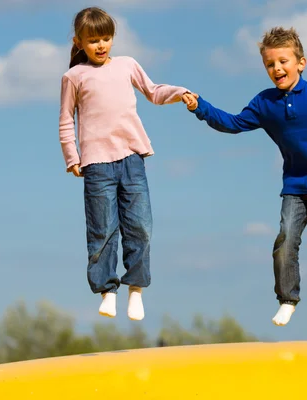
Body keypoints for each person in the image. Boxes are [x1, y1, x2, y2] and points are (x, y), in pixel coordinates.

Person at [182, 26, 307, 326]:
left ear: (300, 63)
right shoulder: (265, 103)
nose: (277, 68)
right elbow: (233, 123)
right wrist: (200, 107)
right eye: (270, 64)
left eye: (283, 61)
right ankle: (287, 299)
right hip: (294, 184)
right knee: (284, 241)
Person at [59, 7, 194, 321]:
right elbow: (66, 120)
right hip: (95, 166)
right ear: (79, 42)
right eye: (93, 40)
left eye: (106, 38)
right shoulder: (73, 77)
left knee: (141, 227)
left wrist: (180, 93)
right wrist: (71, 157)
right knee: (103, 230)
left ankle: (136, 288)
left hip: (132, 159)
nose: (101, 45)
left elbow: (154, 91)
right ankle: (107, 290)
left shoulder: (127, 65)